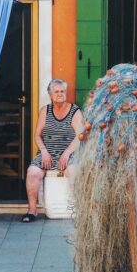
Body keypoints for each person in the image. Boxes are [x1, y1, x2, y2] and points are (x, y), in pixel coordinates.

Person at [22, 79, 85, 222]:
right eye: (56, 92)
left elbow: (79, 137)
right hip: (47, 153)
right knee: (32, 172)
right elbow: (37, 135)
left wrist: (66, 154)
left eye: (62, 91)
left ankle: (79, 209)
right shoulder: (45, 110)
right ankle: (32, 211)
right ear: (50, 95)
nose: (60, 94)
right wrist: (43, 151)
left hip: (69, 153)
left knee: (74, 171)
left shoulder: (75, 111)